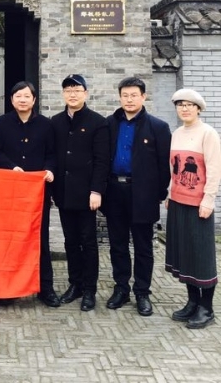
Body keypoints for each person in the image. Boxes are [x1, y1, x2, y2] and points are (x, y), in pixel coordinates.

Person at [103, 77, 171, 316]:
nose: (129, 100)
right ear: (119, 97)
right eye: (125, 95)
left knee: (143, 246)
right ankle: (121, 288)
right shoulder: (109, 123)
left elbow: (164, 166)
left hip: (143, 194)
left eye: (134, 95)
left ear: (143, 96)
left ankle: (142, 292)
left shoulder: (158, 127)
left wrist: (158, 193)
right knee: (118, 244)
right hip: (114, 191)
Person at [0, 81, 58, 307]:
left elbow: (52, 154)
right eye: (18, 96)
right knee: (12, 240)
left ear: (34, 99)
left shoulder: (46, 125)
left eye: (27, 96)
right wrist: (11, 167)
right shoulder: (2, 123)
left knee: (40, 239)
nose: (22, 100)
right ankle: (10, 289)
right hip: (10, 192)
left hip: (37, 194)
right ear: (12, 100)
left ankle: (45, 288)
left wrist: (49, 170)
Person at [51, 74, 110, 312]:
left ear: (85, 93)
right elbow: (53, 156)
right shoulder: (56, 121)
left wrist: (97, 190)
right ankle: (74, 284)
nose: (72, 94)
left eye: (77, 90)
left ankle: (89, 290)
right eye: (68, 90)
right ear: (63, 94)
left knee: (88, 241)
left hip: (87, 194)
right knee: (70, 241)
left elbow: (102, 161)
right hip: (64, 193)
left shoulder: (98, 122)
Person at [166, 88, 221, 329]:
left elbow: (214, 169)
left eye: (189, 105)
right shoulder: (177, 133)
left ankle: (206, 308)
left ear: (198, 109)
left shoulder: (208, 133)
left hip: (199, 205)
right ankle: (192, 302)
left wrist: (208, 200)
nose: (185, 109)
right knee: (185, 253)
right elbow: (174, 168)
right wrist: (170, 193)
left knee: (202, 256)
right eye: (180, 105)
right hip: (178, 201)